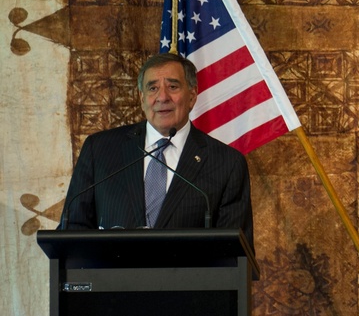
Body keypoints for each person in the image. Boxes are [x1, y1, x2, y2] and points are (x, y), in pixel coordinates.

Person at [60, 52, 254, 248]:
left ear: (192, 96)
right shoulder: (99, 150)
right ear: (142, 98)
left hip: (187, 278)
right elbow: (73, 229)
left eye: (173, 86)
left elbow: (235, 256)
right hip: (113, 277)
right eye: (153, 88)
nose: (162, 97)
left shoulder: (226, 163)